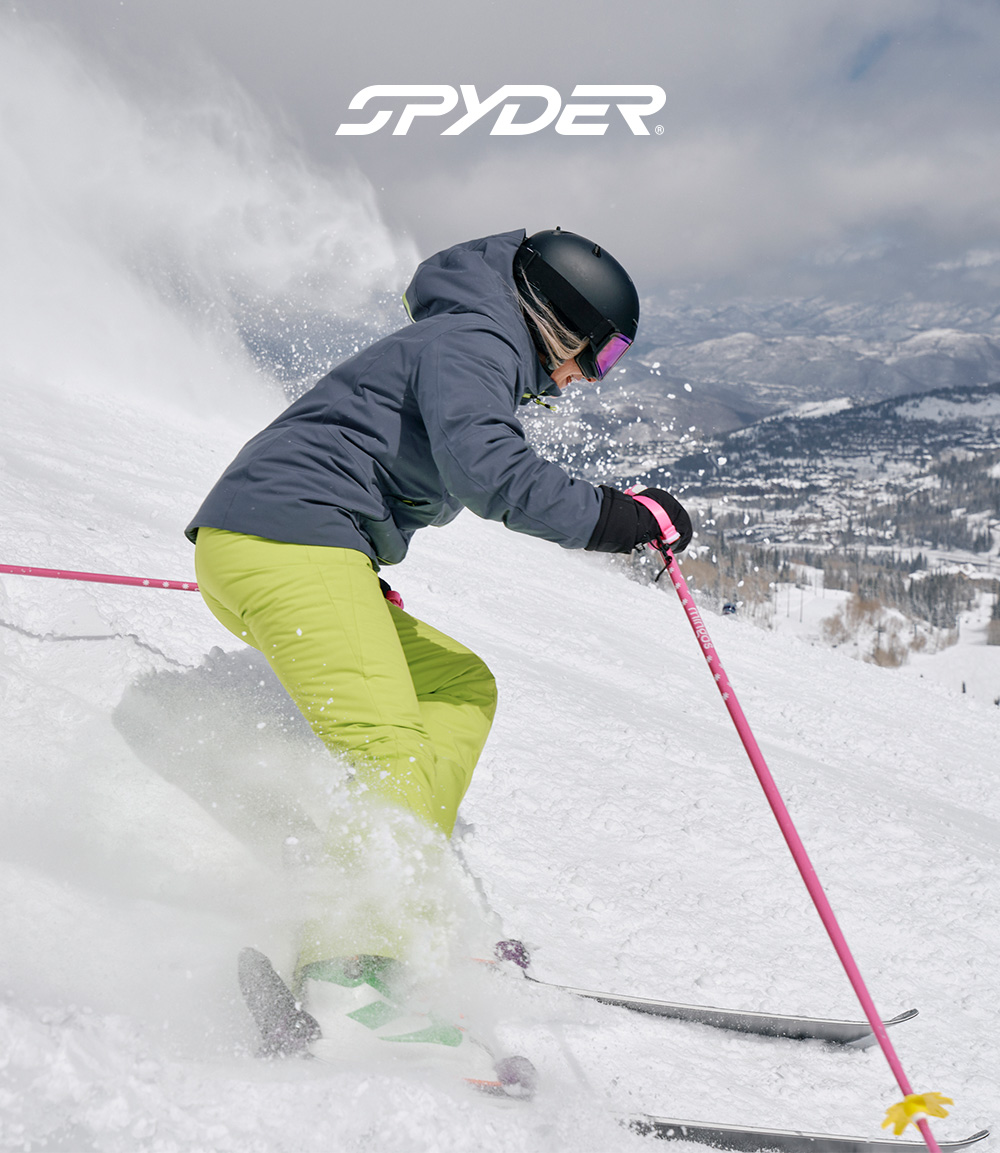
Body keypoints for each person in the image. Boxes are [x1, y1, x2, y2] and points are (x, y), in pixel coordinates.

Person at [186, 227, 692, 1056]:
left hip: (297, 542)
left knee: (458, 687)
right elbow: (491, 473)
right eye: (599, 356)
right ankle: (347, 978)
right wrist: (618, 517)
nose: (588, 378)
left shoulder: (473, 339)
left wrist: (353, 564)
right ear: (559, 321)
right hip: (283, 541)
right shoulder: (476, 340)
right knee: (388, 745)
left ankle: (402, 912)